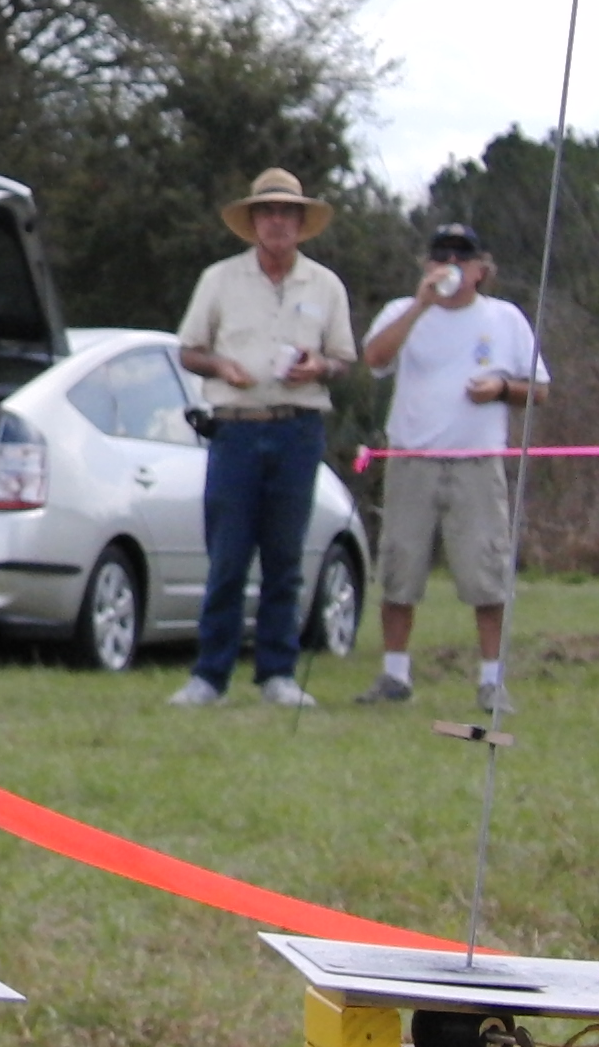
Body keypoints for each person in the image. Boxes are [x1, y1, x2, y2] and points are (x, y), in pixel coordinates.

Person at [170, 169, 358, 709]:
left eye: (286, 213)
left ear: (301, 222)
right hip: (236, 429)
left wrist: (318, 366)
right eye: (267, 213)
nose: (277, 222)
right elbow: (189, 350)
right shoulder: (219, 279)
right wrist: (222, 366)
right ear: (253, 222)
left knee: (285, 557)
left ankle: (278, 673)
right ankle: (210, 676)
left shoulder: (325, 285)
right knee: (228, 557)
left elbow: (344, 359)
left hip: (298, 429)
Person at [353, 224, 548, 712]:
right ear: (427, 265)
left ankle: (492, 681)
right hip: (411, 460)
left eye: (462, 258)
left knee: (486, 573)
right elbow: (374, 359)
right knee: (400, 568)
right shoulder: (402, 311)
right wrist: (420, 305)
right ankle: (395, 674)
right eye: (441, 257)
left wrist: (500, 390)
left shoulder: (504, 318)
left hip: (476, 462)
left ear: (481, 269)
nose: (451, 266)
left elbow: (539, 390)